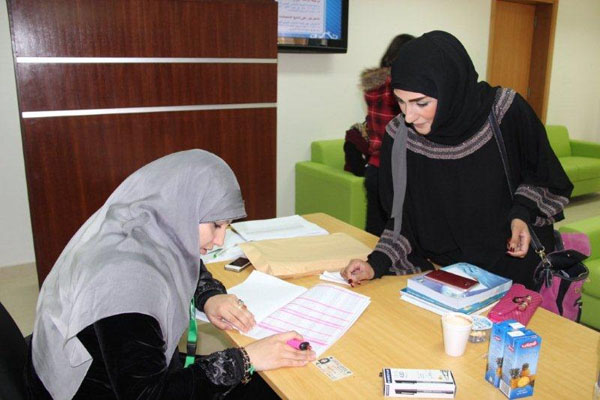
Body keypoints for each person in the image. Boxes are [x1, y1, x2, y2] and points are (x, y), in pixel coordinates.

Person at [25, 150, 315, 399]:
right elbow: (148, 395)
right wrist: (247, 359)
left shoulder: (142, 223)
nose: (219, 241)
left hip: (124, 371)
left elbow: (180, 259)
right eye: (216, 225)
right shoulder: (125, 284)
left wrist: (209, 295)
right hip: (97, 389)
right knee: (269, 386)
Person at [342, 31, 573, 290]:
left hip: (515, 274)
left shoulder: (505, 112)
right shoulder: (400, 135)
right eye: (401, 102)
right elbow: (402, 223)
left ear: (450, 87)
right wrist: (376, 264)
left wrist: (521, 215)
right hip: (448, 279)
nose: (409, 116)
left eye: (421, 103)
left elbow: (545, 177)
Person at [361, 33, 414, 236]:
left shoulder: (373, 87)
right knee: (399, 235)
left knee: (373, 233)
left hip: (375, 167)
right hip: (399, 171)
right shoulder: (401, 88)